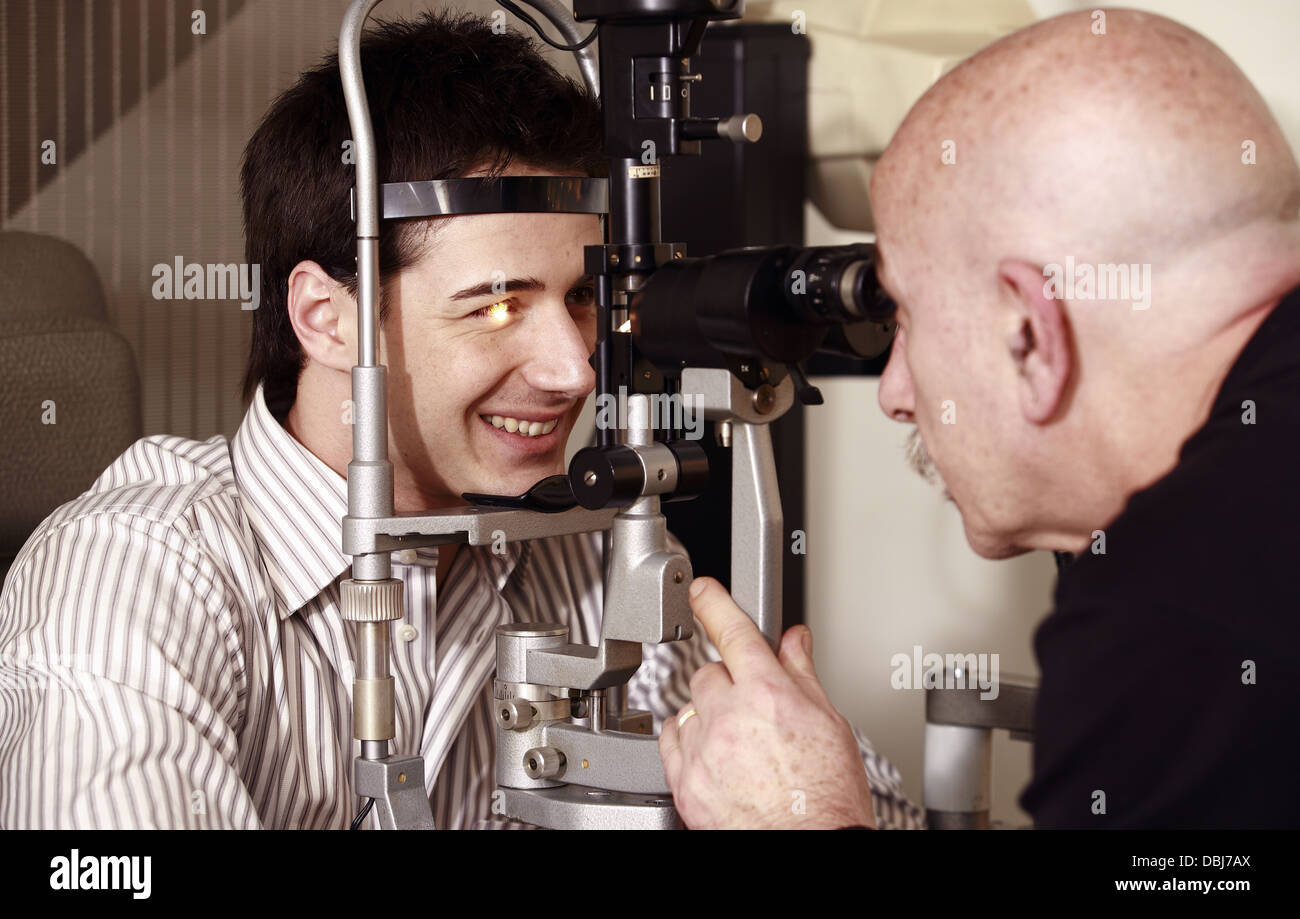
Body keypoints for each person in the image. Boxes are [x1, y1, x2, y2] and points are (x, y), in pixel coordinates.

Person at [0, 11, 920, 829]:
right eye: (495, 305)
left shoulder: (578, 550)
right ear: (328, 318)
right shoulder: (138, 581)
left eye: (581, 298)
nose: (573, 368)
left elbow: (809, 787)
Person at [660, 8, 1300, 829]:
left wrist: (810, 818)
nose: (893, 391)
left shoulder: (1177, 618)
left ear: (1026, 331)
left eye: (908, 319)